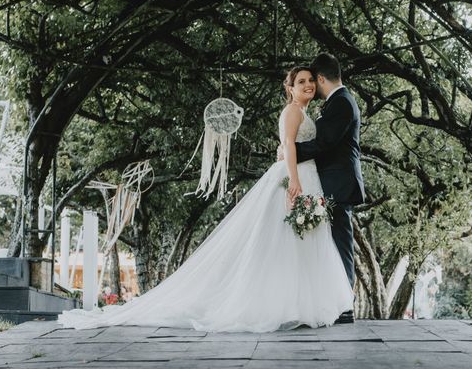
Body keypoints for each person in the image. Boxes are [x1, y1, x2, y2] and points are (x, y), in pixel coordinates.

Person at [58, 66, 353, 332]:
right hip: (296, 177)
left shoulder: (306, 112)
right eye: (301, 81)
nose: (308, 85)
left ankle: (300, 305)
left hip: (309, 176)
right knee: (285, 242)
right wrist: (295, 181)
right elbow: (288, 144)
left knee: (301, 242)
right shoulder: (292, 112)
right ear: (289, 88)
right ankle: (286, 306)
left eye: (311, 80)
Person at [294, 53, 364, 324]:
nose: (313, 86)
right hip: (331, 183)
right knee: (332, 244)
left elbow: (325, 143)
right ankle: (337, 303)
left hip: (339, 184)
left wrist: (291, 151)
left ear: (321, 78)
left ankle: (346, 306)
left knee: (341, 244)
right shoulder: (339, 102)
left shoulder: (341, 103)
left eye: (314, 80)